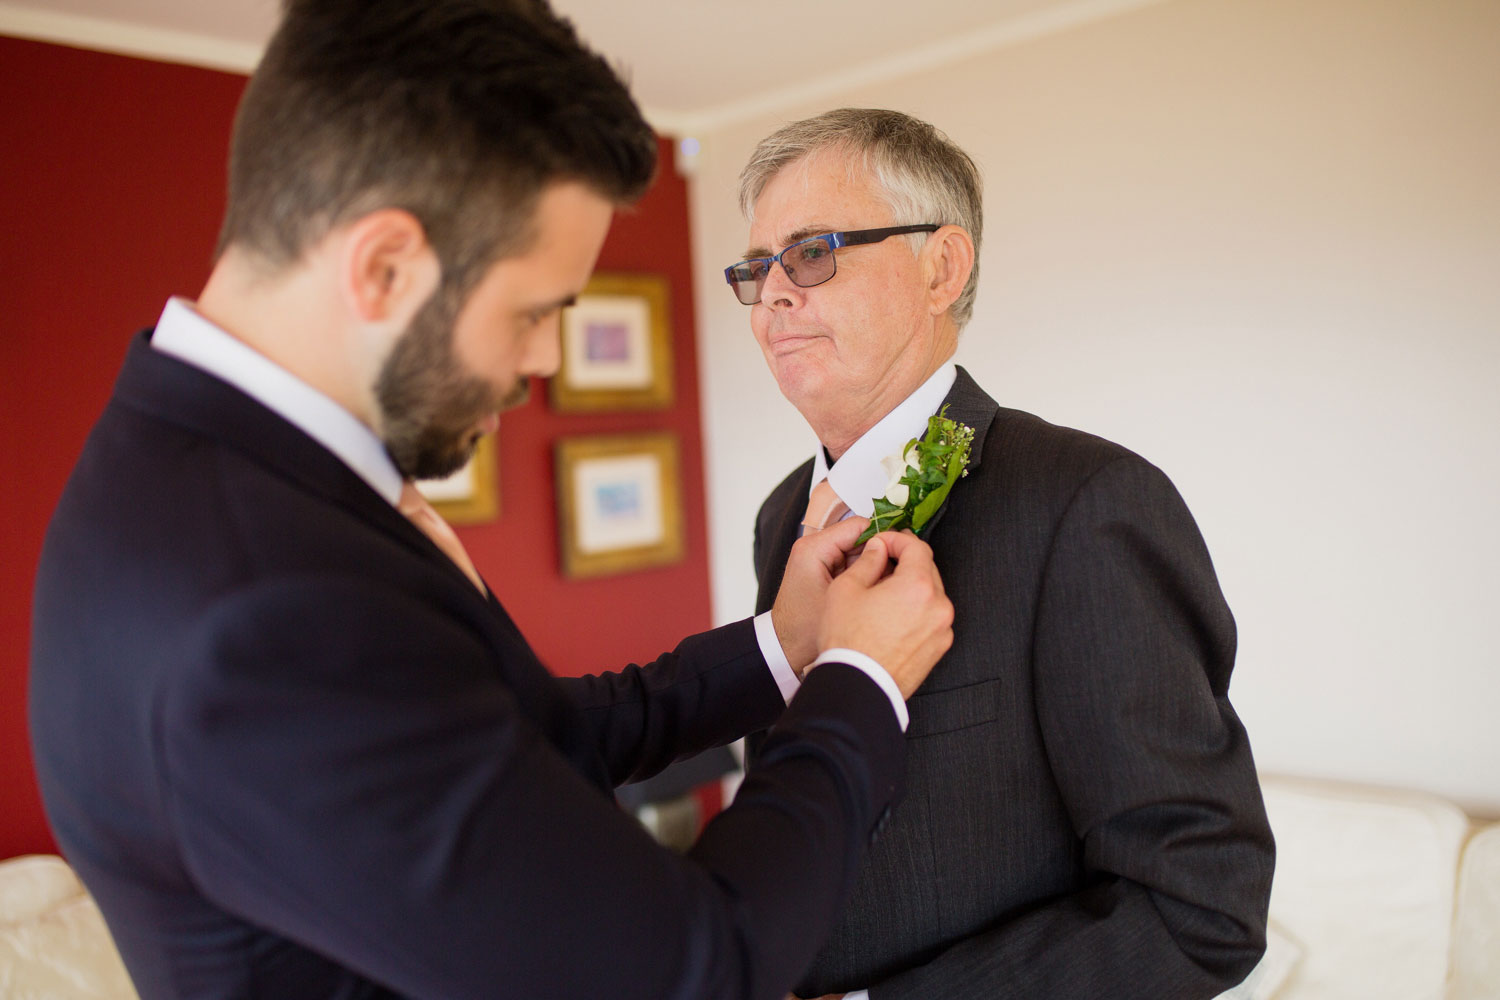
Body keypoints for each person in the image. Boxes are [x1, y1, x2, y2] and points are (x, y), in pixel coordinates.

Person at [27, 6, 957, 998]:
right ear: (383, 267)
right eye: (534, 311)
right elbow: (690, 970)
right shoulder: (261, 602)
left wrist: (783, 644)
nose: (545, 362)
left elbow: (523, 737)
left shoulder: (199, 472)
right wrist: (858, 680)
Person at [729, 108, 1276, 1000]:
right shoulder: (778, 518)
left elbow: (1200, 908)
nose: (776, 295)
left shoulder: (1088, 504)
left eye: (814, 252)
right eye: (758, 269)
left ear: (941, 267)